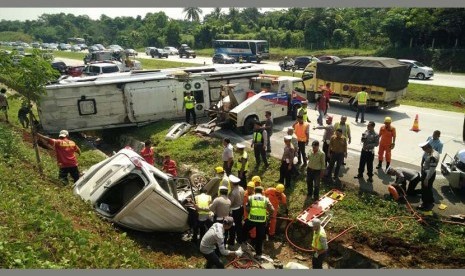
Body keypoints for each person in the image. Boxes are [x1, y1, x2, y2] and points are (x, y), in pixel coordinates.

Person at [241, 186, 274, 259]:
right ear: (262, 192)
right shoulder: (266, 199)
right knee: (259, 237)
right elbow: (272, 209)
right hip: (262, 221)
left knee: (244, 230)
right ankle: (258, 254)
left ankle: (243, 244)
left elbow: (247, 208)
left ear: (254, 191)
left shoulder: (251, 198)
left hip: (252, 219)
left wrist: (251, 212)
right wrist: (268, 216)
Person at [417, 142, 440, 212]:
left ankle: (425, 204)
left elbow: (432, 169)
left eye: (424, 149)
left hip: (429, 174)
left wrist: (426, 179)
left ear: (428, 148)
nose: (424, 151)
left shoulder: (433, 156)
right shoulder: (434, 152)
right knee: (428, 188)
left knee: (425, 189)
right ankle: (431, 201)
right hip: (427, 172)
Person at [227, 175, 245, 247]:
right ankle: (240, 239)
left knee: (232, 226)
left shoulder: (233, 192)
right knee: (239, 224)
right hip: (240, 208)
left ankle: (231, 241)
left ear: (232, 183)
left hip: (234, 210)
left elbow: (230, 203)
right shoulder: (241, 188)